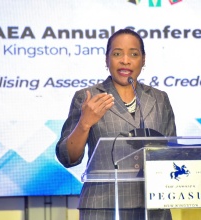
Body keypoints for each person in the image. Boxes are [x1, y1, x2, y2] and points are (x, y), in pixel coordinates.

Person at [56, 28, 176, 220]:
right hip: (102, 206)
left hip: (153, 207)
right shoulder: (88, 97)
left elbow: (171, 151)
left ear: (143, 60)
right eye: (117, 54)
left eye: (133, 54)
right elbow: (67, 158)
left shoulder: (159, 99)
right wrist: (84, 124)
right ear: (107, 59)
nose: (125, 60)